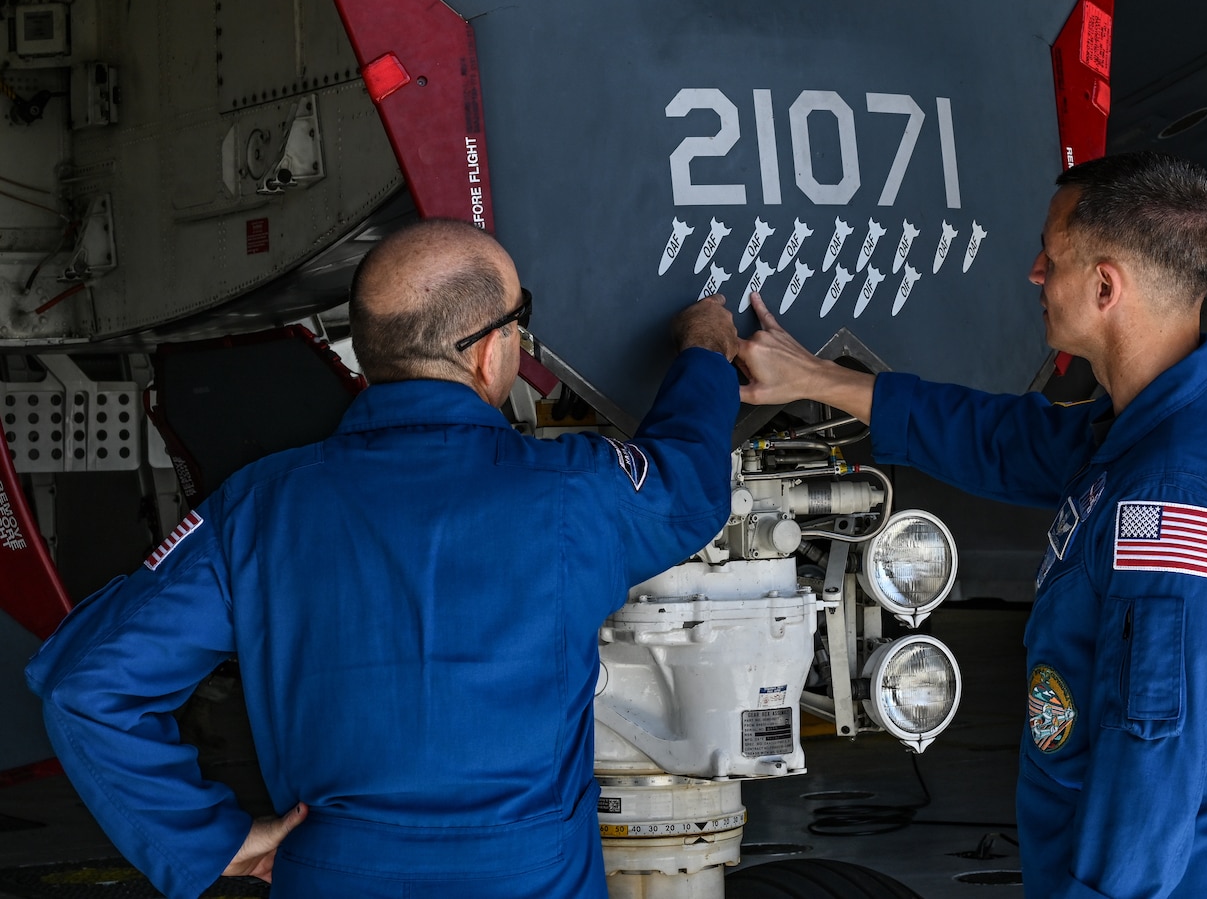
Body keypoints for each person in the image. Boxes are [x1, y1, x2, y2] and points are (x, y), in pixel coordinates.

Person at [27, 220, 740, 899]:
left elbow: (86, 684)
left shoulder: (258, 507)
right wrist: (705, 348)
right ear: (490, 350)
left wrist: (213, 839)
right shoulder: (577, 491)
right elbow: (687, 482)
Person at [736, 150, 1207, 899]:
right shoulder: (1165, 433)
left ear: (1105, 286)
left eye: (1052, 255)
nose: (1036, 272)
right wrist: (812, 378)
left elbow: (1149, 758)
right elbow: (999, 438)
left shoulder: (1171, 499)